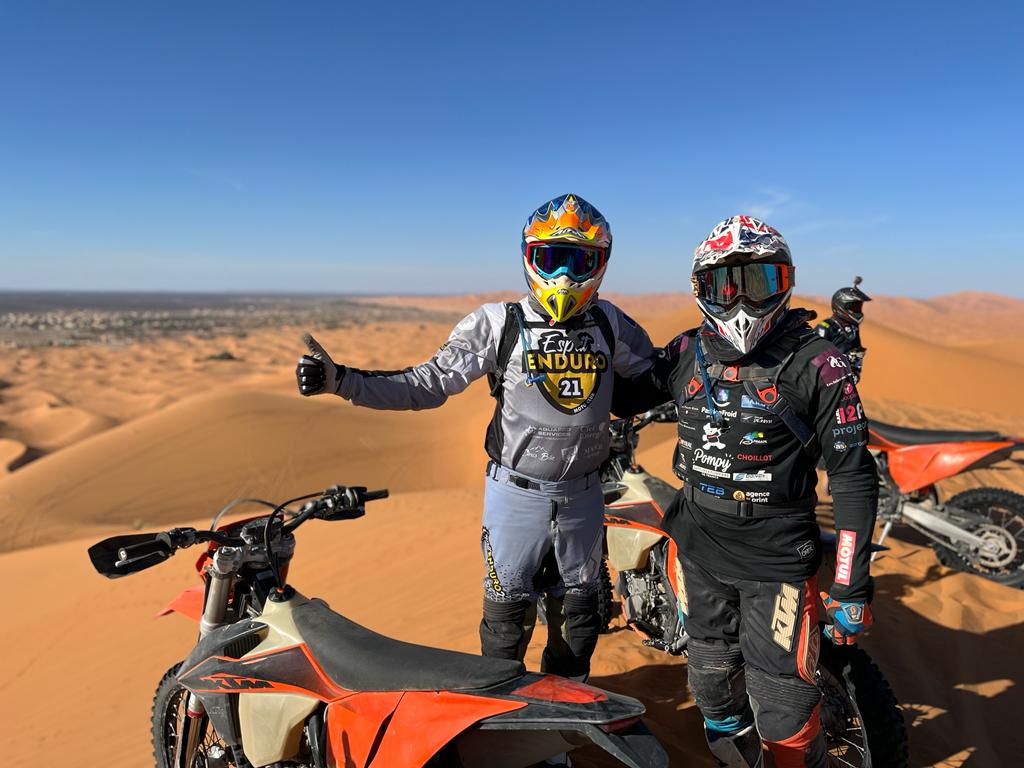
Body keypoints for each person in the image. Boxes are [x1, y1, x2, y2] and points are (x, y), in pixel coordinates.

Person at [295, 194, 655, 681]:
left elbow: (661, 376)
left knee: (579, 623)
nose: (564, 275)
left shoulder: (611, 324)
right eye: (552, 257)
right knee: (505, 626)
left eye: (580, 261)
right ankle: (505, 719)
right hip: (517, 497)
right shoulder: (497, 323)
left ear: (601, 263)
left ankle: (566, 720)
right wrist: (343, 381)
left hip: (584, 498)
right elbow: (427, 383)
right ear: (529, 257)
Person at [612, 215, 878, 768]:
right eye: (724, 285)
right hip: (698, 547)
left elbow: (853, 475)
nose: (740, 302)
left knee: (783, 705)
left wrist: (851, 585)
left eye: (758, 282)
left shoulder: (820, 364)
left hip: (775, 559)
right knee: (712, 687)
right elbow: (622, 396)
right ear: (700, 288)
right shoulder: (687, 350)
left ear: (785, 282)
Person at [815, 277, 871, 381]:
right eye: (854, 307)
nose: (858, 310)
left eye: (859, 307)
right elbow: (815, 358)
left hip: (845, 380)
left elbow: (857, 351)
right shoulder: (826, 327)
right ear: (842, 306)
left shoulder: (853, 328)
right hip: (825, 381)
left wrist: (855, 370)